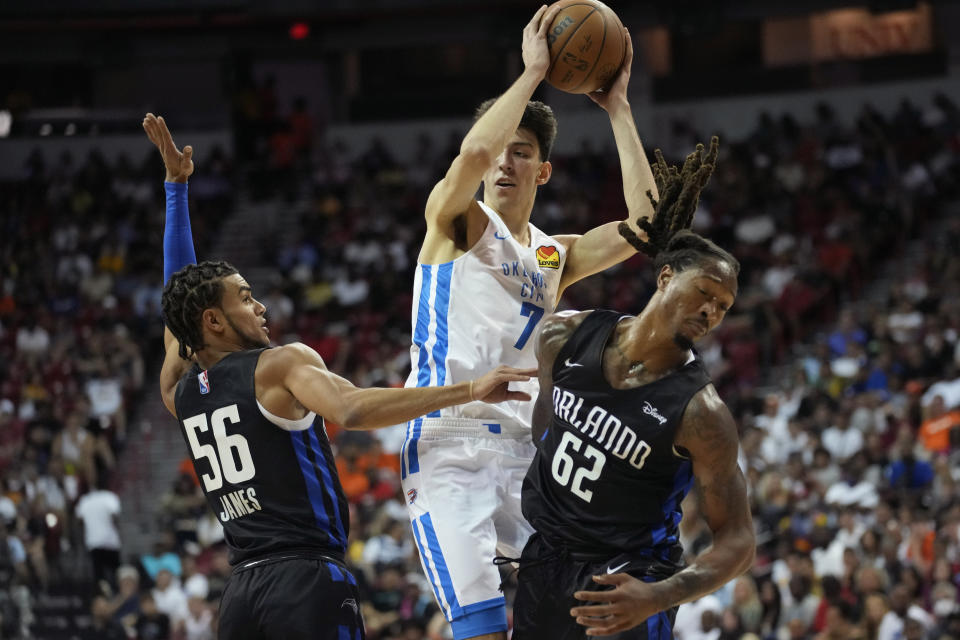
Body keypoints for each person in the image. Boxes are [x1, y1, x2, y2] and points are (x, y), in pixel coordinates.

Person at [143, 113, 534, 640]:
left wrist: (175, 190)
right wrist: (467, 389)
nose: (261, 307)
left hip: (239, 598)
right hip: (305, 580)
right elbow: (350, 410)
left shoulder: (180, 394)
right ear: (213, 321)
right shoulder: (279, 365)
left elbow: (179, 315)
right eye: (245, 297)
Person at [400, 6, 660, 639]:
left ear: (543, 171)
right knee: (484, 629)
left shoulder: (552, 255)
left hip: (529, 456)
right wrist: (533, 73)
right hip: (449, 443)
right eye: (501, 153)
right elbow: (472, 150)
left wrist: (618, 109)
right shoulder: (455, 223)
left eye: (523, 155)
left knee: (573, 617)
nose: (505, 164)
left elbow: (650, 226)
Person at [511, 141, 756, 638]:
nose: (712, 311)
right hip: (545, 564)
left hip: (627, 580)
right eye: (705, 293)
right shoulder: (564, 335)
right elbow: (545, 430)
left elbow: (739, 541)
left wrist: (660, 595)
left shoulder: (700, 413)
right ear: (665, 277)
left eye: (723, 306)